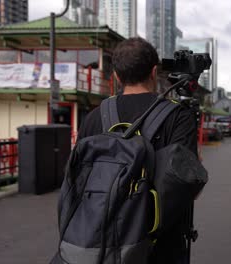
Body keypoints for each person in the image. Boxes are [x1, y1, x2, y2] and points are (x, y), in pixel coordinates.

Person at [77, 37, 197, 264]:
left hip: (100, 243)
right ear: (154, 72)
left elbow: (76, 180)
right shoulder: (178, 116)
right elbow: (188, 188)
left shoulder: (94, 117)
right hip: (161, 247)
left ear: (116, 76)